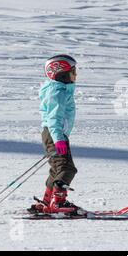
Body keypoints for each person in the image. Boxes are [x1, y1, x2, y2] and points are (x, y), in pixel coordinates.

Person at [28, 54, 79, 214]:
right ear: (61, 73)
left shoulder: (59, 90)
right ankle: (58, 202)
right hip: (54, 135)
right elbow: (53, 119)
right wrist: (58, 140)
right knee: (67, 168)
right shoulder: (57, 92)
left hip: (54, 135)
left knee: (56, 170)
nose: (76, 75)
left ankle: (47, 201)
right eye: (73, 71)